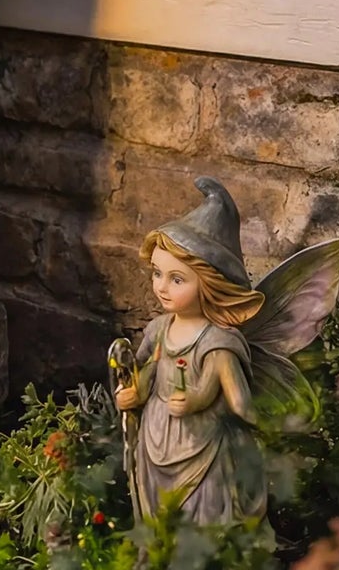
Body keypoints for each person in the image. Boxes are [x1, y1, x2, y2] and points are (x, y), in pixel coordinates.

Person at [114, 177, 267, 524]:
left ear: (211, 285)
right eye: (157, 273)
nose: (161, 288)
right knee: (158, 512)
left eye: (176, 279)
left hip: (203, 448)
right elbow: (143, 375)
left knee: (202, 514)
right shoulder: (157, 330)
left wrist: (202, 402)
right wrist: (131, 394)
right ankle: (162, 559)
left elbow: (241, 403)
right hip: (155, 441)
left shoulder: (217, 343)